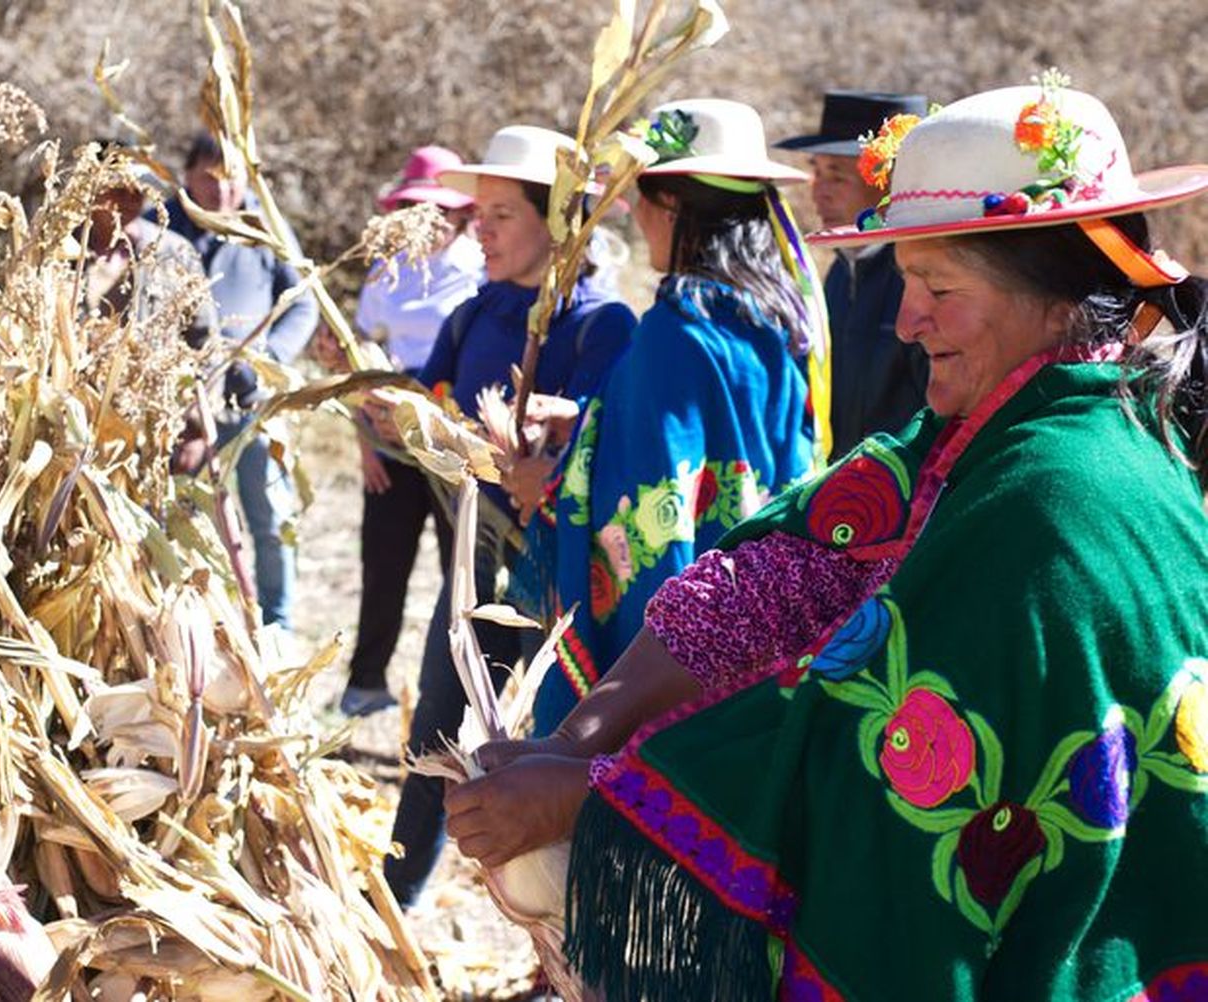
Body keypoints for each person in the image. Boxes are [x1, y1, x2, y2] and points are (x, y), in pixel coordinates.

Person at [445, 81, 1208, 1000]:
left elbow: (868, 737)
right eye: (903, 280)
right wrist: (578, 737)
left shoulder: (1053, 499)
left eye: (937, 286)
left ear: (1050, 299)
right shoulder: (995, 437)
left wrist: (595, 792)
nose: (903, 319)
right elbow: (793, 564)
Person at [381, 124, 637, 908]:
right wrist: (400, 419)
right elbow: (433, 411)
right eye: (478, 213)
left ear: (558, 225)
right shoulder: (476, 313)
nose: (479, 231)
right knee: (439, 728)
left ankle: (570, 925)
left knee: (568, 749)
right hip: (482, 570)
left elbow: (599, 454)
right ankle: (397, 897)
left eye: (501, 214)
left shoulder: (604, 326)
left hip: (569, 588)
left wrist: (542, 462)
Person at [524, 100, 819, 736]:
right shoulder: (775, 325)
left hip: (681, 644)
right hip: (760, 623)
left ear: (673, 209)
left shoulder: (673, 336)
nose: (636, 219)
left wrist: (550, 481)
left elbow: (650, 513)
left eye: (641, 199)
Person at [341, 146, 486, 717]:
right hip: (389, 440)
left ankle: (462, 691)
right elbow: (360, 358)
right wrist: (364, 442)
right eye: (416, 209)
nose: (429, 223)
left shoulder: (478, 269)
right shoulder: (387, 274)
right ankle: (365, 682)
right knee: (383, 562)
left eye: (439, 212)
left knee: (462, 570)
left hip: (452, 438)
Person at [160, 133, 319, 629]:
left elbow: (304, 303)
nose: (220, 191)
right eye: (208, 177)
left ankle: (277, 626)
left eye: (231, 179)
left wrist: (268, 359)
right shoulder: (163, 227)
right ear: (187, 177)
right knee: (186, 519)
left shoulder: (264, 226)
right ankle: (198, 622)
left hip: (252, 402)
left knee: (269, 519)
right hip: (180, 409)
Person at [776, 90, 931, 457]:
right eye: (816, 171)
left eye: (837, 176)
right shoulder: (839, 274)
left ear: (886, 183)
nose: (819, 192)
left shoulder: (919, 280)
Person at [81, 147, 211, 338]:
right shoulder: (57, 251)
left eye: (138, 191)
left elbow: (204, 335)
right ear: (91, 191)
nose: (128, 200)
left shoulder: (174, 252)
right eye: (118, 190)